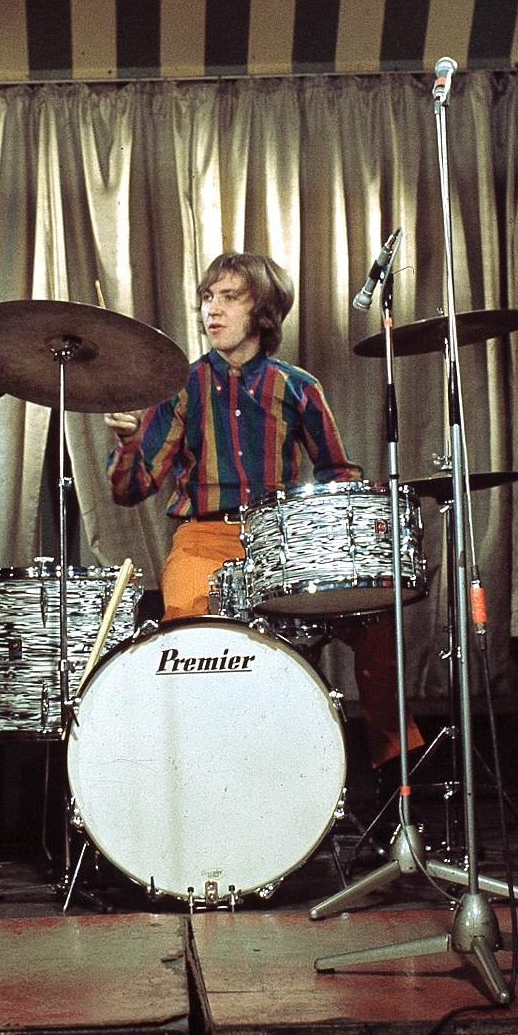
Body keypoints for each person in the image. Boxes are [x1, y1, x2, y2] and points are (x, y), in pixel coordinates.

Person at [105, 252, 423, 813]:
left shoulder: (298, 387)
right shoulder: (179, 387)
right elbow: (131, 489)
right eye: (208, 297)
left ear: (264, 312)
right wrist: (130, 441)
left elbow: (339, 474)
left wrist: (360, 523)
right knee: (187, 633)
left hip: (282, 543)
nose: (213, 309)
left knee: (380, 626)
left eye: (230, 297)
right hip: (203, 540)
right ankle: (202, 786)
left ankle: (395, 791)